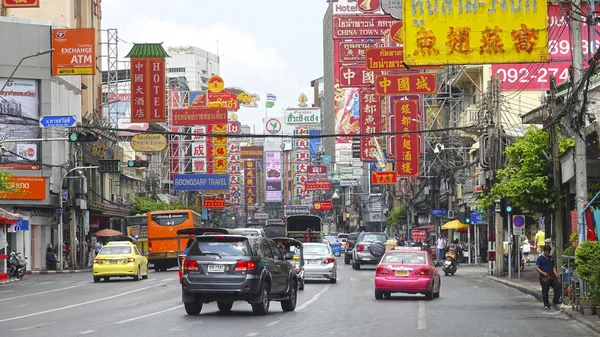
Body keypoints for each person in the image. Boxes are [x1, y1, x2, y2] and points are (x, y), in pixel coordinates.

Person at [535, 245, 562, 310]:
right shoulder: (540, 258)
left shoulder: (551, 258)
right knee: (545, 291)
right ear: (544, 251)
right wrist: (543, 273)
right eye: (546, 252)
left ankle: (555, 300)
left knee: (558, 286)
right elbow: (537, 267)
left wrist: (556, 273)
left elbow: (553, 267)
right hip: (543, 277)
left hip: (551, 276)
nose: (548, 253)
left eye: (548, 252)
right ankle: (546, 304)